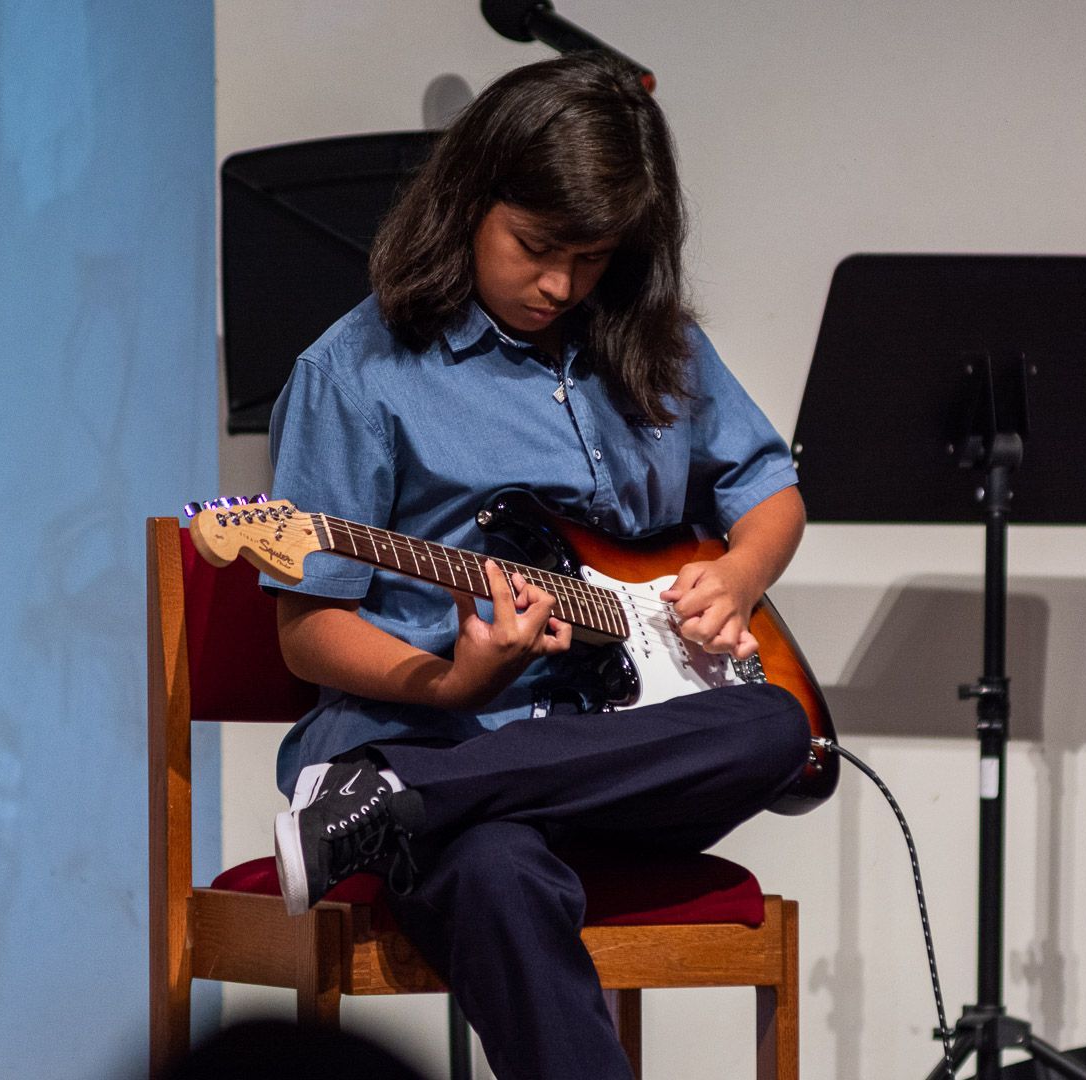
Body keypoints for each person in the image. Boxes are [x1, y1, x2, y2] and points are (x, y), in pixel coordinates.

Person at [261, 52, 810, 1080]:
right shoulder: (356, 373)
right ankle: (426, 794)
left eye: (593, 259)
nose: (561, 285)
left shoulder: (655, 344)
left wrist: (737, 578)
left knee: (777, 725)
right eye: (538, 247)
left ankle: (405, 807)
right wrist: (457, 677)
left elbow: (770, 491)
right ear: (470, 198)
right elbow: (307, 629)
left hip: (616, 751)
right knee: (500, 873)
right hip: (430, 723)